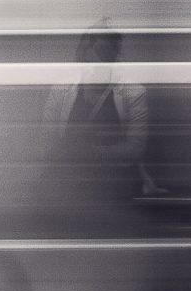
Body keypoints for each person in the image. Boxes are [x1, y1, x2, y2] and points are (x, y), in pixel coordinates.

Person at [39, 22, 157, 206]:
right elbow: (47, 140)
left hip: (115, 181)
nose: (101, 61)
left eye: (109, 53)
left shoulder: (133, 92)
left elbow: (135, 148)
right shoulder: (61, 90)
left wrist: (89, 153)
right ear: (82, 54)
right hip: (67, 180)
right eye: (98, 52)